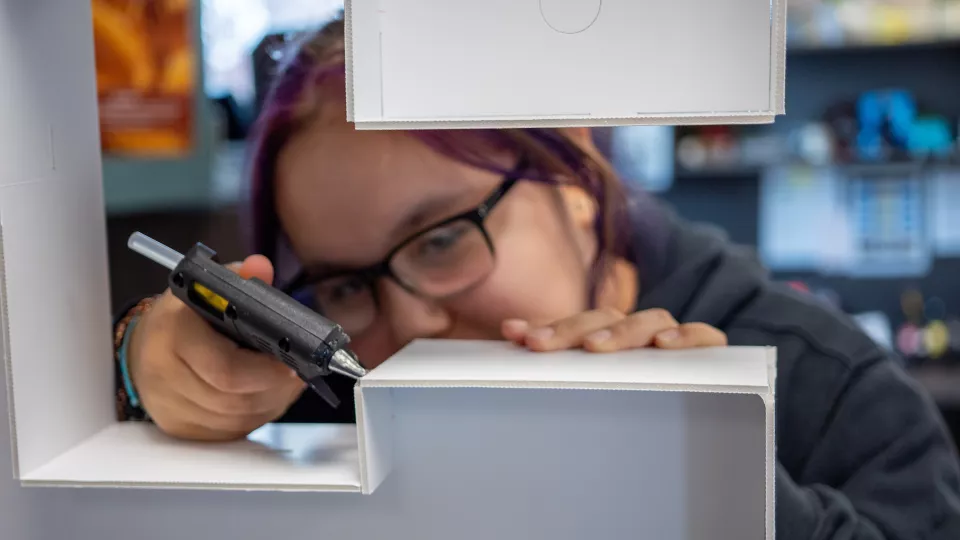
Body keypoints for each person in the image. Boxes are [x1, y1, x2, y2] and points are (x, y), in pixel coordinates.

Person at [111, 14, 960, 539]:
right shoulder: (331, 373)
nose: (410, 325)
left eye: (441, 239)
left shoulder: (838, 390)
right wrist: (146, 368)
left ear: (579, 174)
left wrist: (719, 488)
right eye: (344, 284)